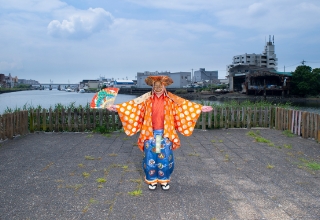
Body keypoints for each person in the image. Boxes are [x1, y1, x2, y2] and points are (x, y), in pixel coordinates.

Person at [108, 75, 212, 190]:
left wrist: (200, 108)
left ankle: (164, 180)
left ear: (164, 87)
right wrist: (117, 107)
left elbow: (184, 104)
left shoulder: (171, 99)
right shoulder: (145, 99)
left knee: (164, 157)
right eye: (155, 86)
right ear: (152, 87)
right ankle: (152, 180)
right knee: (150, 157)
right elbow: (132, 105)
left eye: (160, 86)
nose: (158, 89)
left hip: (165, 133)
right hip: (150, 133)